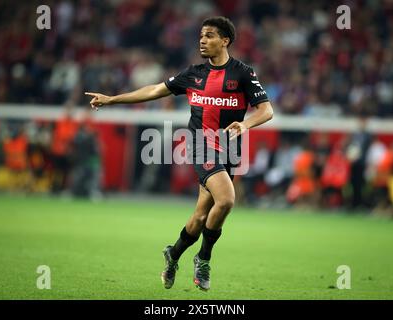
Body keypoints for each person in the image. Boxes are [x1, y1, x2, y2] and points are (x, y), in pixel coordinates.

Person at [85, 16, 273, 291]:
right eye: (200, 35)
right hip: (200, 144)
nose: (202, 40)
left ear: (225, 40)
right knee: (227, 200)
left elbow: (266, 110)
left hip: (229, 149)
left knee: (199, 217)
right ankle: (204, 258)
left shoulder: (243, 73)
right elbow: (155, 90)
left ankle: (173, 255)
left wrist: (245, 124)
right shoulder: (193, 74)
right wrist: (113, 99)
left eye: (209, 35)